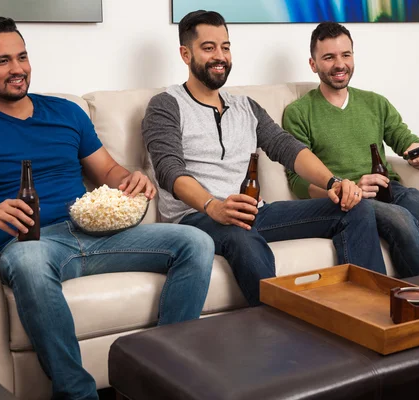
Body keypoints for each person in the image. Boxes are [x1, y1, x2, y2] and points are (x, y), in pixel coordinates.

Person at [0, 17, 215, 400]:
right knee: (29, 264)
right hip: (33, 242)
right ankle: (77, 394)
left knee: (196, 242)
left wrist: (131, 178)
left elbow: (107, 169)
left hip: (96, 233)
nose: (18, 69)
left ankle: (158, 374)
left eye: (22, 57)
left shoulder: (66, 113)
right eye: (2, 61)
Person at [142, 10, 393, 308]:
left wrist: (333, 182)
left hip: (254, 213)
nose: (220, 56)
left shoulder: (245, 106)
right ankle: (280, 333)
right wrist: (214, 206)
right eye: (208, 48)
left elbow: (286, 147)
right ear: (186, 54)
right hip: (197, 218)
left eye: (225, 46)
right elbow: (169, 170)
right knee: (240, 235)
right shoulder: (165, 105)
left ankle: (368, 311)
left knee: (354, 209)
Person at [283, 21, 419, 283]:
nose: (339, 64)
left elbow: (404, 139)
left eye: (346, 55)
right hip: (352, 202)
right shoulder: (299, 113)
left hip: (391, 190)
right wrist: (346, 188)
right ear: (313, 64)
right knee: (402, 222)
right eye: (329, 57)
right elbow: (297, 180)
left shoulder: (374, 103)